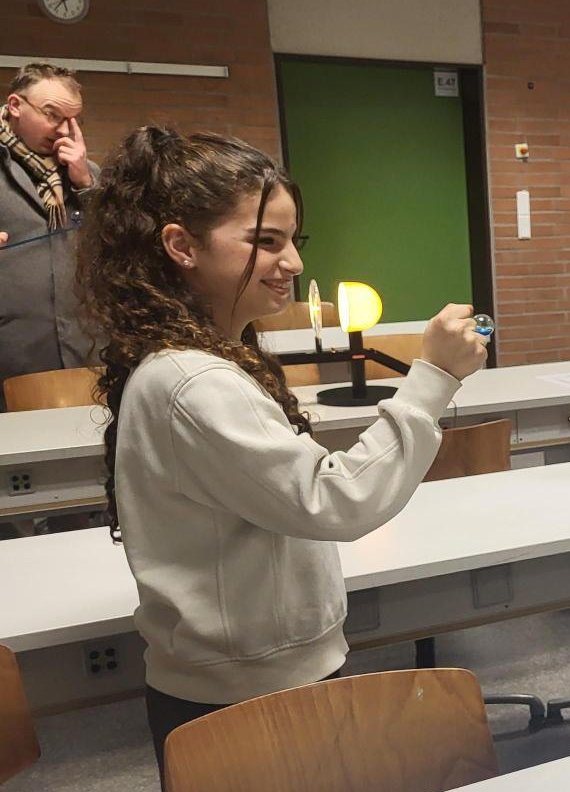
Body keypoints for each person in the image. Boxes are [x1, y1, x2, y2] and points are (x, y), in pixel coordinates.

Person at [73, 127, 489, 772]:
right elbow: (336, 500)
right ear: (182, 246)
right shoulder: (193, 381)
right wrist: (432, 376)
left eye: (294, 241)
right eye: (265, 241)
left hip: (253, 678)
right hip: (241, 696)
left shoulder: (205, 358)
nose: (292, 262)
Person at [1, 62, 97, 411]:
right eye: (53, 115)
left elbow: (119, 244)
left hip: (86, 353)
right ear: (15, 105)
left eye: (73, 120)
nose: (64, 130)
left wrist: (86, 184)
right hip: (12, 354)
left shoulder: (86, 174)